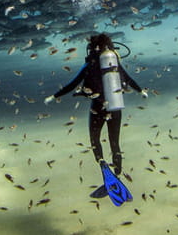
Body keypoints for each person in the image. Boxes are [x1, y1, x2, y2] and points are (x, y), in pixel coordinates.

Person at [44, 33, 146, 176]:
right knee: (114, 141)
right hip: (115, 106)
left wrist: (54, 96)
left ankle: (103, 166)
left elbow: (73, 84)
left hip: (97, 108)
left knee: (95, 139)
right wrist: (141, 91)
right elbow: (128, 79)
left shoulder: (90, 64)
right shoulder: (113, 63)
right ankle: (118, 172)